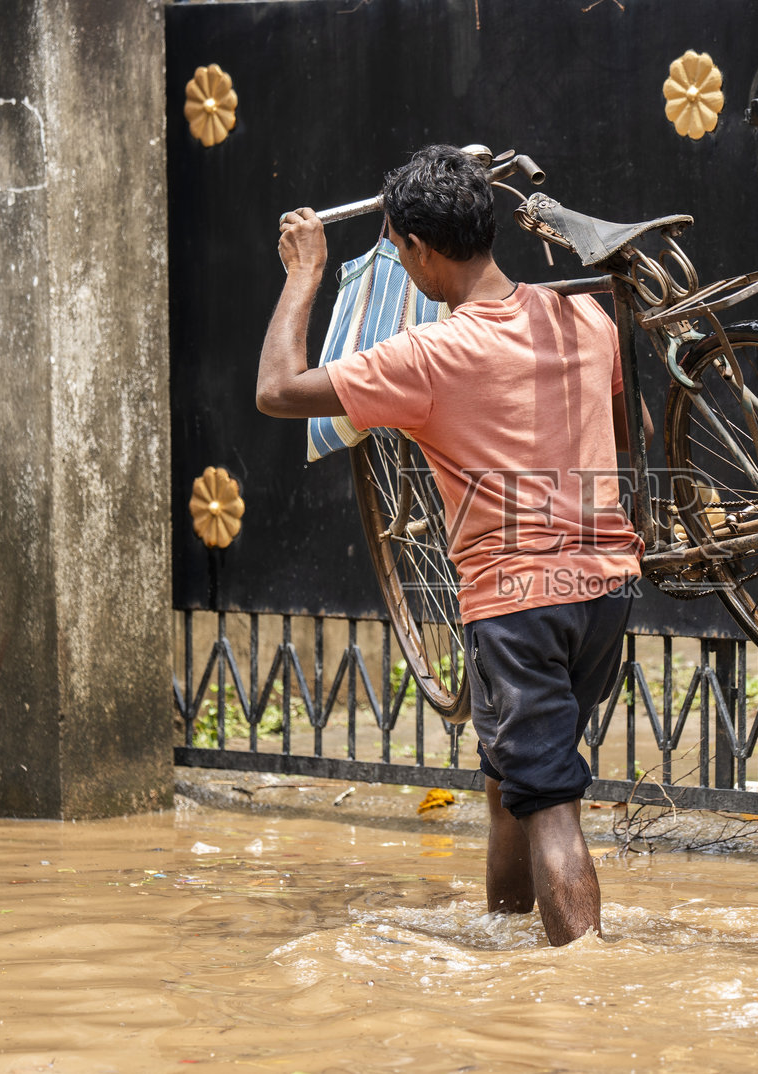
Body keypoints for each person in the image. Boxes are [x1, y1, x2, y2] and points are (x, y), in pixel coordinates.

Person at [255, 144, 650, 946]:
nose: (403, 268)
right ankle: (505, 939)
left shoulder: (430, 355)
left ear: (421, 249)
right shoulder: (585, 317)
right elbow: (628, 432)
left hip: (518, 606)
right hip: (606, 593)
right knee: (512, 772)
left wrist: (303, 275)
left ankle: (587, 988)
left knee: (550, 801)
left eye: (400, 252)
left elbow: (277, 391)